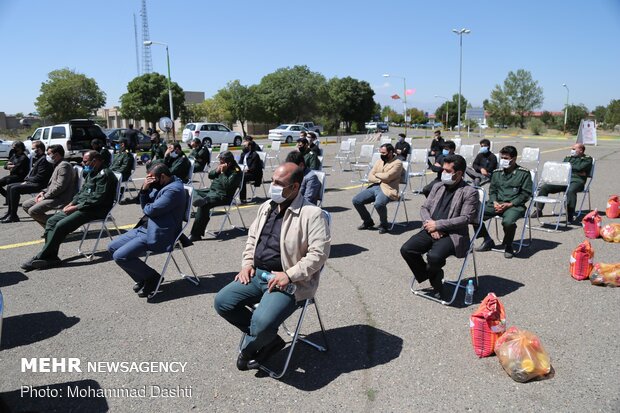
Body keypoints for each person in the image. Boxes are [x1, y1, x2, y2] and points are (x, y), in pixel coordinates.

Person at [213, 162, 331, 371]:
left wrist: (289, 274)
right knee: (223, 302)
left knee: (262, 322)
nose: (272, 186)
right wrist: (247, 264)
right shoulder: (266, 206)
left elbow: (319, 254)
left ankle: (251, 346)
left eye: (279, 183)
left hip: (288, 281)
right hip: (258, 273)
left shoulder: (312, 214)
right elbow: (252, 239)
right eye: (273, 180)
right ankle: (270, 340)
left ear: (295, 187)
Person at [20, 151, 118, 271]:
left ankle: (41, 256)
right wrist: (71, 203)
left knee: (61, 225)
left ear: (95, 160)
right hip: (83, 206)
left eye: (86, 161)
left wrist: (75, 207)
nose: (83, 163)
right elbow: (82, 192)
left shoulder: (105, 174)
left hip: (95, 209)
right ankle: (52, 256)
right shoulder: (92, 172)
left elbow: (97, 199)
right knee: (51, 221)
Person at [400, 155, 479, 297]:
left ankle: (436, 284)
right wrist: (430, 224)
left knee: (434, 257)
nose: (443, 173)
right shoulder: (438, 186)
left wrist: (438, 225)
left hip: (453, 234)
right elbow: (424, 208)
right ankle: (433, 276)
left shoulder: (469, 192)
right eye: (443, 170)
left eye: (448, 171)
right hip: (430, 228)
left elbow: (466, 218)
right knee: (407, 249)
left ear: (459, 173)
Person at [108, 163, 186, 298]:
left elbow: (149, 209)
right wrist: (145, 190)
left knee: (120, 256)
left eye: (151, 178)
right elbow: (146, 205)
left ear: (162, 177)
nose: (149, 181)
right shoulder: (162, 184)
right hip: (146, 226)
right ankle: (145, 278)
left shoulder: (173, 190)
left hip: (160, 231)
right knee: (112, 247)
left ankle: (152, 278)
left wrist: (145, 193)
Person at [474, 146, 532, 259]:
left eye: (506, 158)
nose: (503, 160)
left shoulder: (524, 173)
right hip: (496, 204)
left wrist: (510, 204)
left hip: (514, 206)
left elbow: (526, 194)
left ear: (514, 159)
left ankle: (508, 245)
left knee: (508, 222)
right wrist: (494, 201)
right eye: (502, 158)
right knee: (473, 214)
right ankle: (487, 240)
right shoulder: (497, 173)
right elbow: (493, 190)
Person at [531, 143, 593, 223]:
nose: (572, 150)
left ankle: (570, 214)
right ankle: (538, 210)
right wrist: (577, 170)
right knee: (544, 187)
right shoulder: (568, 157)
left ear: (581, 150)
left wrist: (570, 167)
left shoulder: (587, 159)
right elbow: (563, 167)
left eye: (574, 149)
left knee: (570, 191)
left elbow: (580, 167)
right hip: (564, 180)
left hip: (577, 181)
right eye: (572, 149)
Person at [189, 151, 242, 241]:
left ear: (228, 163)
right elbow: (210, 175)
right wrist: (217, 170)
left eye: (221, 161)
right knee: (191, 190)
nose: (219, 163)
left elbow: (227, 186)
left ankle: (196, 235)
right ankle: (200, 199)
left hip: (223, 196)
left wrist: (222, 172)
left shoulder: (236, 172)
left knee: (204, 206)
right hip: (211, 191)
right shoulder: (221, 166)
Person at [352, 143, 403, 234]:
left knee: (379, 204)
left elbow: (388, 176)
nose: (381, 155)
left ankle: (384, 224)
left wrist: (376, 175)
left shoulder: (398, 163)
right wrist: (379, 178)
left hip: (388, 188)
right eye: (381, 152)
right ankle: (368, 222)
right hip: (376, 186)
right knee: (356, 200)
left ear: (390, 152)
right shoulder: (379, 161)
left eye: (384, 153)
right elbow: (370, 176)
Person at [22, 145, 76, 227]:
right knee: (26, 205)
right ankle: (51, 228)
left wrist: (44, 197)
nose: (47, 156)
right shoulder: (58, 164)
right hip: (53, 195)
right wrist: (43, 192)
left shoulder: (64, 166)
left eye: (49, 154)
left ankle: (58, 225)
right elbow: (53, 184)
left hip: (60, 198)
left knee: (33, 211)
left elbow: (60, 187)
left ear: (57, 155)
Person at [1, 141, 54, 223]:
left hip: (39, 184)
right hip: (33, 182)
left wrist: (27, 181)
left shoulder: (44, 160)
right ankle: (10, 213)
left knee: (15, 189)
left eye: (33, 149)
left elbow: (40, 177)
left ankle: (13, 216)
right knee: (10, 186)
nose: (31, 150)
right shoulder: (38, 158)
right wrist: (27, 180)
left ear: (39, 149)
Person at [239, 136, 264, 203]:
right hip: (245, 172)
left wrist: (244, 170)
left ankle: (243, 198)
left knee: (242, 178)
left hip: (254, 174)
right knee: (234, 176)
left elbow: (253, 168)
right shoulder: (243, 154)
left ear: (249, 147)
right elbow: (239, 164)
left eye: (245, 146)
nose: (243, 147)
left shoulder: (254, 155)